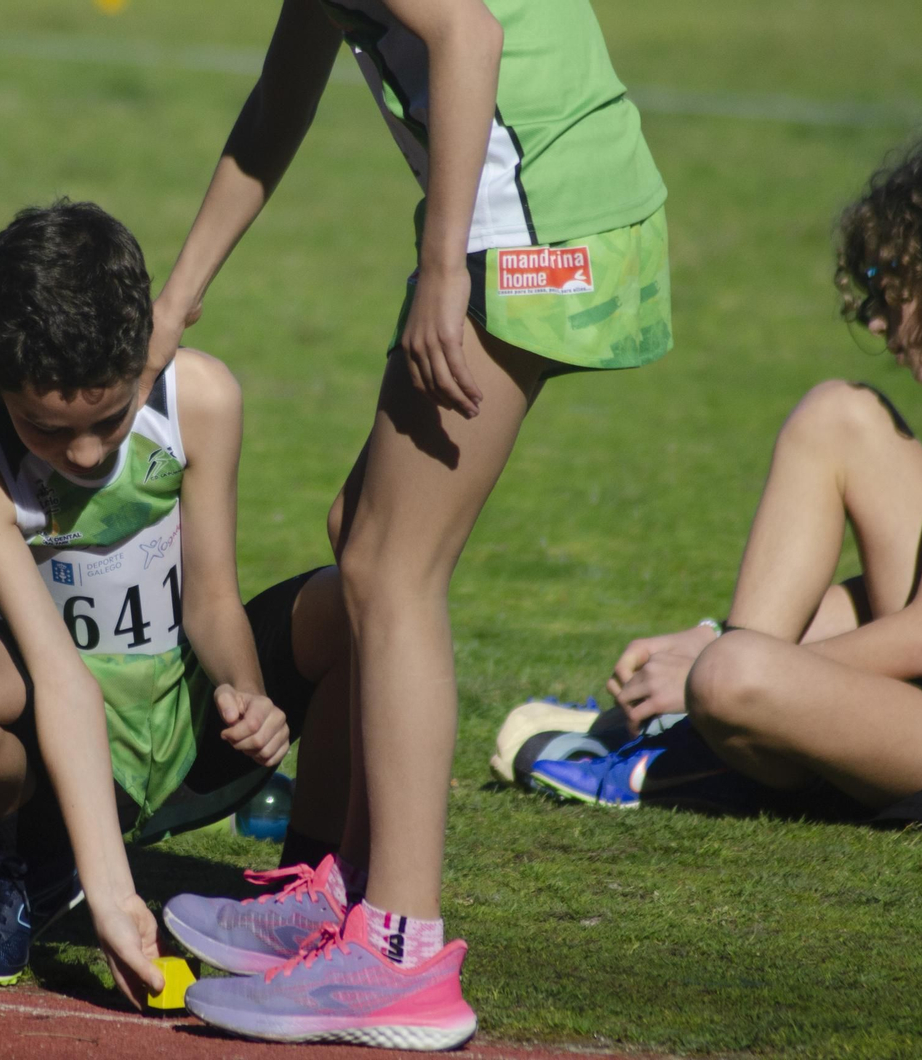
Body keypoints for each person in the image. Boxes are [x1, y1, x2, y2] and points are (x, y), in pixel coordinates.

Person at [148, 0, 671, 1048]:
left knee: (391, 571)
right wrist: (176, 301)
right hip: (500, 228)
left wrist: (441, 273)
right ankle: (346, 887)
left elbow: (468, 34)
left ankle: (397, 950)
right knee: (363, 535)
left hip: (540, 237)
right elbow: (275, 106)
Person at [0, 200, 352, 1004]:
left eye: (108, 418)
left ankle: (307, 895)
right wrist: (114, 895)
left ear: (143, 351)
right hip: (59, 744)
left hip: (190, 734)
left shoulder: (198, 397)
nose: (88, 454)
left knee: (360, 596)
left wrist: (247, 694)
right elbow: (59, 675)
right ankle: (35, 854)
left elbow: (211, 598)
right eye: (47, 430)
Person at [524, 127, 922, 835]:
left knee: (731, 677)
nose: (877, 314)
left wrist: (718, 663)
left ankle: (707, 738)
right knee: (837, 414)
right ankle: (700, 727)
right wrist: (715, 635)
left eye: (889, 282)